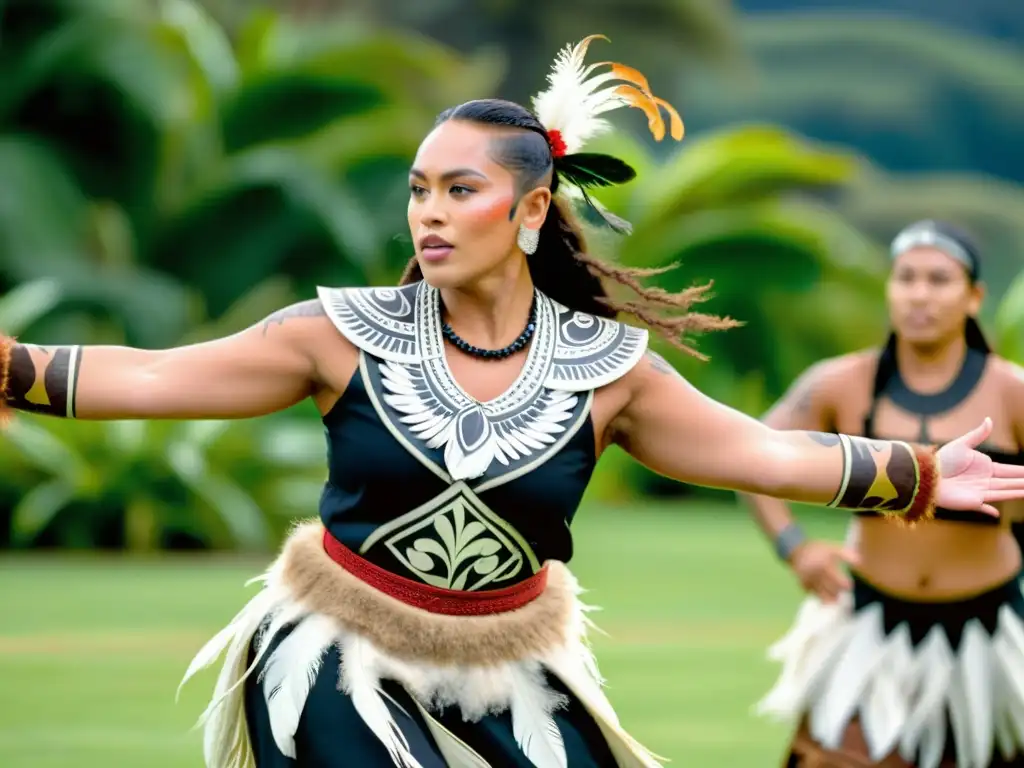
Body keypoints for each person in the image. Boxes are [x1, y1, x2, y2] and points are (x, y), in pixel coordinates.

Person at [3, 37, 1024, 768]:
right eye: (418, 189)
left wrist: (924, 473)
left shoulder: (607, 368)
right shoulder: (338, 335)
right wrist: (9, 367)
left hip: (512, 662)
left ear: (532, 208)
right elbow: (147, 376)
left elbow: (763, 456)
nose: (429, 213)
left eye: (459, 190)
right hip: (332, 657)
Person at [748, 220, 1024, 768]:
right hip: (871, 625)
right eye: (907, 278)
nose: (920, 293)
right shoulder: (840, 384)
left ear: (973, 297)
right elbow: (755, 454)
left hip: (994, 632)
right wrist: (795, 546)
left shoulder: (1010, 390)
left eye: (939, 280)